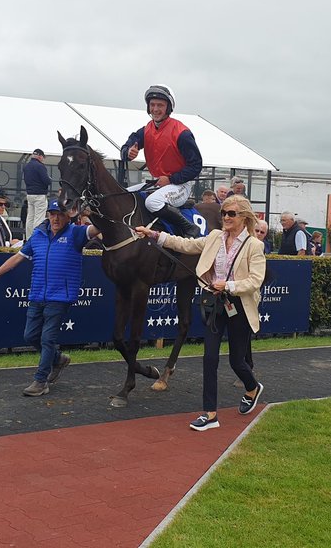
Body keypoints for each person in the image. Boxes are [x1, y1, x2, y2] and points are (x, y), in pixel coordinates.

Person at [134, 195, 266, 431]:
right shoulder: (215, 237)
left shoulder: (254, 246)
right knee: (209, 359)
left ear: (244, 217)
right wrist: (154, 234)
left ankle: (252, 387)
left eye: (231, 214)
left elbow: (255, 280)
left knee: (237, 360)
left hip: (239, 306)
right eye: (224, 213)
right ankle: (210, 414)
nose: (225, 217)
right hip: (215, 304)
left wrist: (229, 286)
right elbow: (186, 245)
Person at [0, 200, 101, 396]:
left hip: (61, 297)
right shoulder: (38, 235)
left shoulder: (76, 233)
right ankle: (58, 359)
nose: (55, 218)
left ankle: (40, 380)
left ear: (68, 216)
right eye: (52, 213)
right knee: (30, 336)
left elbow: (99, 228)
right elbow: (17, 258)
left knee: (47, 338)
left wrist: (88, 209)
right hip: (37, 294)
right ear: (47, 215)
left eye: (60, 214)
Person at [119, 85, 203, 237]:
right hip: (158, 183)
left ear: (168, 108)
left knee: (152, 202)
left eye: (160, 105)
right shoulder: (145, 130)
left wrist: (171, 179)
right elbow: (127, 146)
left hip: (180, 185)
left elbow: (196, 166)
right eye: (152, 105)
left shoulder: (182, 133)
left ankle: (189, 227)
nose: (155, 109)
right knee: (122, 195)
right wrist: (128, 152)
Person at [23, 148, 50, 231]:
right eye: (43, 157)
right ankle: (36, 238)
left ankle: (29, 237)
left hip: (29, 194)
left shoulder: (26, 166)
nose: (43, 159)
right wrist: (50, 179)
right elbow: (46, 181)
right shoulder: (40, 166)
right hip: (40, 194)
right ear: (40, 156)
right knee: (39, 218)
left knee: (30, 217)